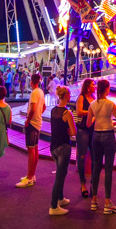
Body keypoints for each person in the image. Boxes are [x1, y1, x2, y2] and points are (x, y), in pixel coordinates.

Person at [87, 78, 116, 214]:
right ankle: (107, 202)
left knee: (96, 168)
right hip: (108, 135)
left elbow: (89, 123)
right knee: (108, 169)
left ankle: (94, 200)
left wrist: (97, 118)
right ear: (106, 89)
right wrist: (111, 122)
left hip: (96, 136)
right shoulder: (111, 104)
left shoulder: (92, 105)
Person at [49, 86, 76, 215]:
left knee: (61, 173)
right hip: (63, 147)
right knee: (60, 176)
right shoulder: (67, 113)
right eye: (69, 94)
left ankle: (60, 198)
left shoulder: (53, 111)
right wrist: (69, 132)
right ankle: (53, 206)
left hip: (53, 146)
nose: (70, 96)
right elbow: (74, 131)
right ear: (66, 96)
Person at [16, 72, 45, 188]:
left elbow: (32, 109)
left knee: (31, 150)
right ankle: (32, 175)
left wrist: (28, 120)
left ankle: (29, 177)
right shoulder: (41, 92)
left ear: (32, 82)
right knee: (35, 148)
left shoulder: (34, 93)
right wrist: (39, 114)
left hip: (32, 123)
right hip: (38, 122)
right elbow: (43, 107)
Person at [74, 79, 95, 198]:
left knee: (94, 156)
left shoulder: (94, 98)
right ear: (87, 87)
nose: (94, 86)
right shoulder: (81, 97)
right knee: (82, 156)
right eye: (93, 85)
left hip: (93, 130)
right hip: (82, 130)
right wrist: (91, 112)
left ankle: (92, 183)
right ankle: (83, 184)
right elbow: (79, 111)